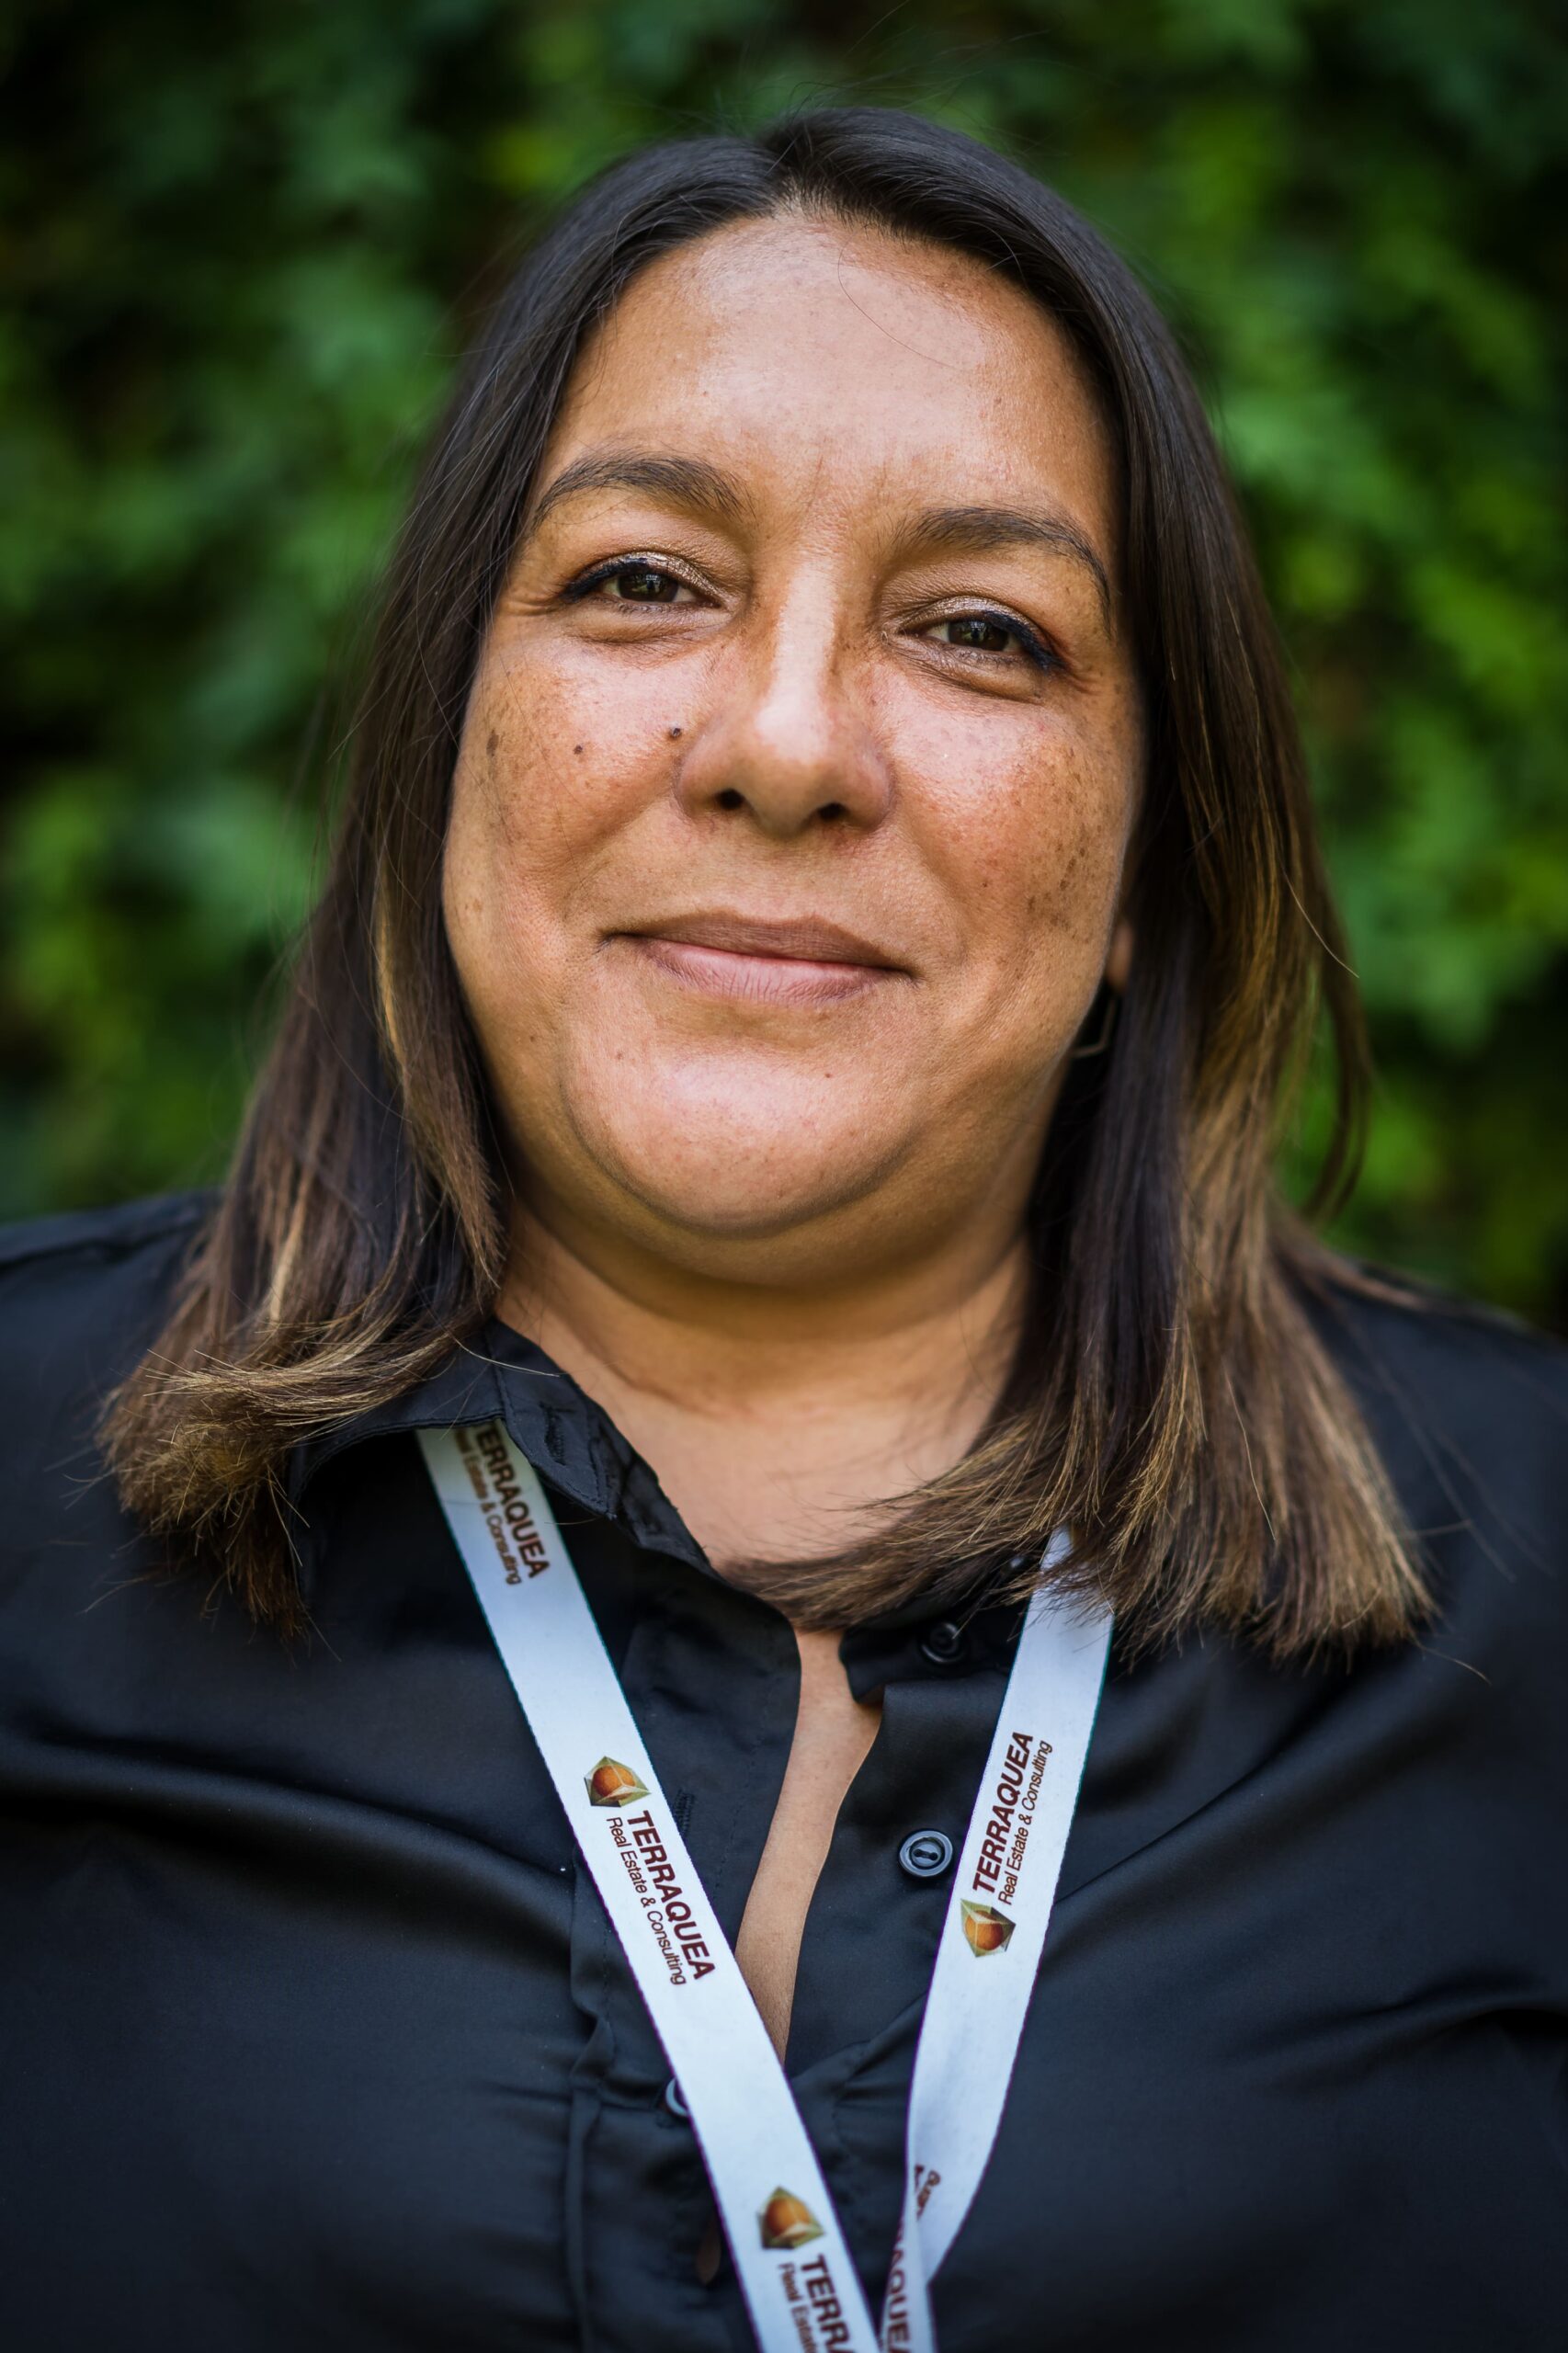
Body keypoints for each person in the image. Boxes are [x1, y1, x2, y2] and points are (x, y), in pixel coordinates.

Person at [1, 106, 1563, 2353]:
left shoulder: (1529, 1559)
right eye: (644, 579)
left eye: (978, 629)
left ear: (1147, 857)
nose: (788, 739)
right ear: (451, 731)